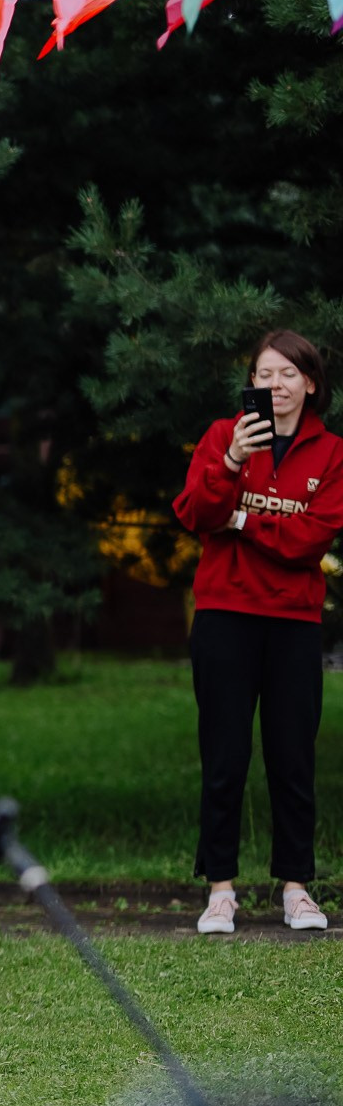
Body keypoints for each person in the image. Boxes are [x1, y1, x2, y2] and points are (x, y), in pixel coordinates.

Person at [172, 331, 343, 935]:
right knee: (225, 755)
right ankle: (221, 890)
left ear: (311, 384)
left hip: (294, 621)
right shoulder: (226, 436)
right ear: (252, 381)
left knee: (292, 757)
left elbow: (308, 544)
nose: (276, 384)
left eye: (288, 374)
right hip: (225, 615)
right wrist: (230, 465)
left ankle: (296, 888)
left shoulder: (332, 453)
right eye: (265, 373)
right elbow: (195, 514)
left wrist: (241, 518)